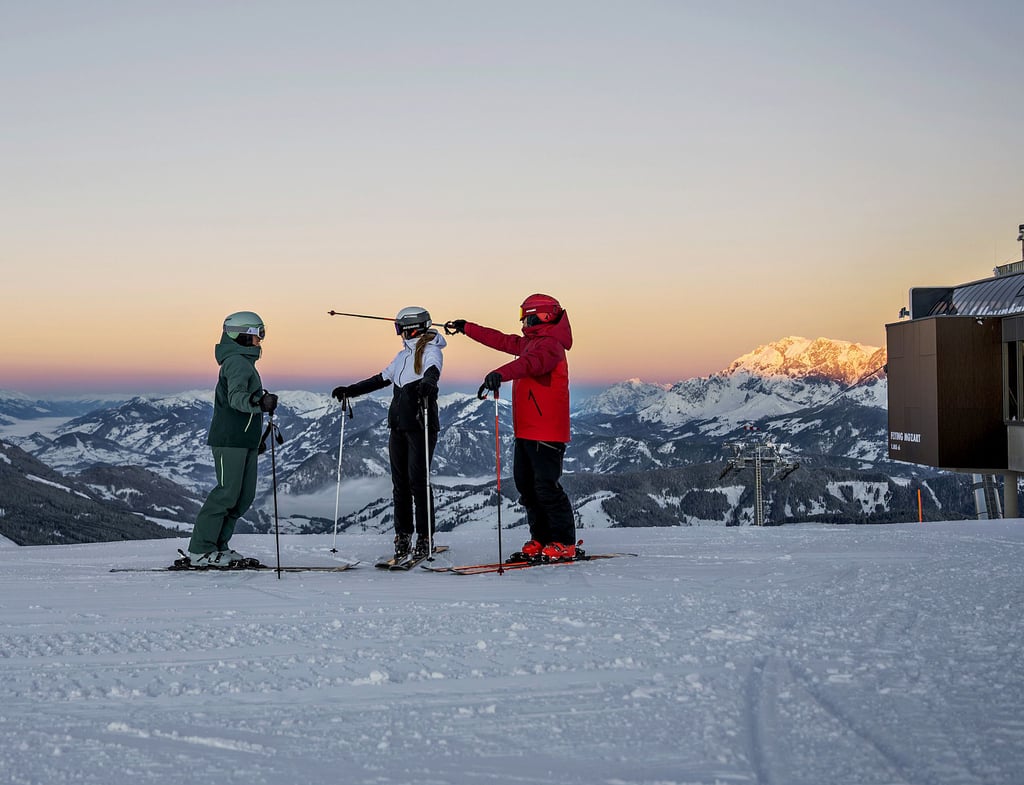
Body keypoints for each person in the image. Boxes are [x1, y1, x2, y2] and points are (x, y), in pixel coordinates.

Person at [446, 293, 577, 562]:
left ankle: (564, 542)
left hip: (547, 432)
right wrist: (467, 327)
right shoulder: (530, 343)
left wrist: (500, 374)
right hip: (526, 430)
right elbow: (501, 340)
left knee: (546, 487)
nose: (523, 322)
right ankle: (540, 538)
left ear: (541, 316)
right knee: (527, 487)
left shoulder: (550, 346)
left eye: (526, 316)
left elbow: (530, 364)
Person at [331, 306, 445, 562]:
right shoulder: (402, 356)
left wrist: (429, 383)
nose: (399, 333)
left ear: (410, 327)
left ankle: (425, 537)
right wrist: (351, 390)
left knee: (418, 482)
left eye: (400, 328)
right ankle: (403, 535)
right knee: (400, 485)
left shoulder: (431, 350)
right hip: (399, 426)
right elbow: (380, 379)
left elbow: (433, 371)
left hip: (421, 425)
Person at [187, 311, 278, 568]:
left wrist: (255, 434)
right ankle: (200, 550)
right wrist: (259, 401)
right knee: (226, 495)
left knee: (242, 497)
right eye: (258, 333)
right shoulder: (237, 362)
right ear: (244, 334)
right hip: (229, 440)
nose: (261, 339)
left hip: (243, 440)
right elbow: (237, 397)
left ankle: (218, 546)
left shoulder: (245, 362)